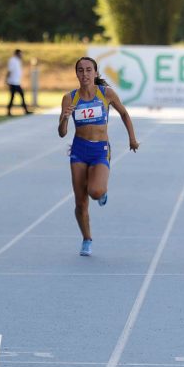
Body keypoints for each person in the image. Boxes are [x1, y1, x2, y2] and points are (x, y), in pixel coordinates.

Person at [58, 57, 139, 256]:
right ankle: (87, 239)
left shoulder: (106, 93)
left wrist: (132, 139)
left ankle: (101, 192)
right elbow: (62, 133)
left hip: (100, 150)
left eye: (88, 70)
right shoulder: (69, 98)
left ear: (95, 73)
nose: (84, 74)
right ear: (76, 74)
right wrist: (65, 118)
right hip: (79, 150)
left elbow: (124, 114)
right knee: (80, 202)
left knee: (94, 191)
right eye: (80, 70)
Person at [6, 49, 32, 116]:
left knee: (19, 96)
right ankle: (10, 111)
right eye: (20, 54)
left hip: (17, 82)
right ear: (17, 54)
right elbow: (9, 70)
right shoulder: (12, 60)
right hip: (13, 82)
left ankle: (25, 110)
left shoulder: (18, 61)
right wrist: (7, 79)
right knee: (14, 97)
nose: (21, 55)